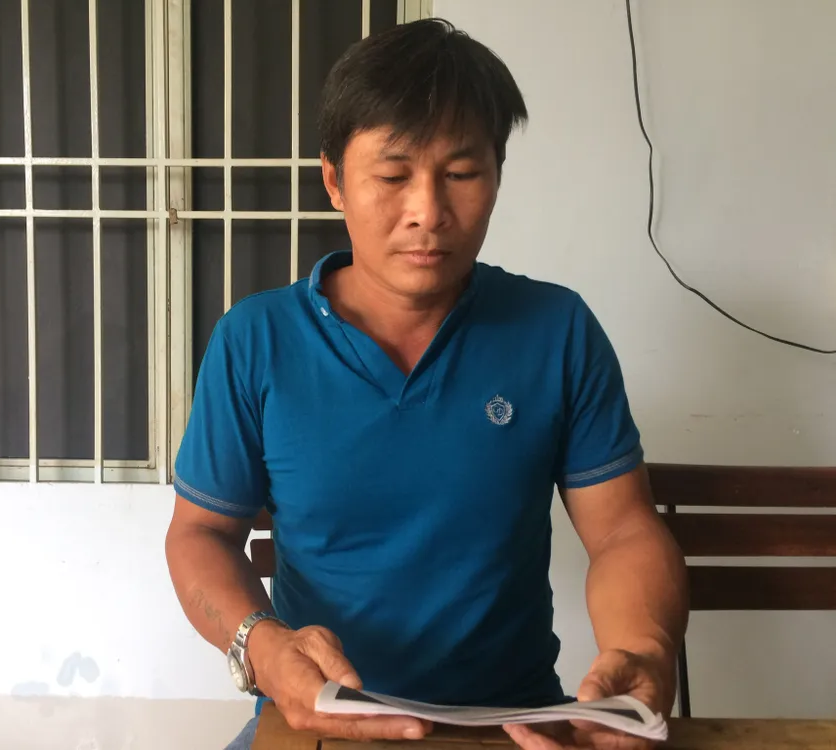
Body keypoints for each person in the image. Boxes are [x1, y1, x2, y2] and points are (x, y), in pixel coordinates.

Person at [165, 17, 688, 750]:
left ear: (497, 175)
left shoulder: (556, 331)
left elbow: (624, 530)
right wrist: (262, 645)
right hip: (322, 726)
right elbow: (200, 535)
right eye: (393, 175)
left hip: (512, 727)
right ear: (334, 181)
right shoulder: (257, 341)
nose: (428, 213)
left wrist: (644, 650)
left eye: (461, 174)